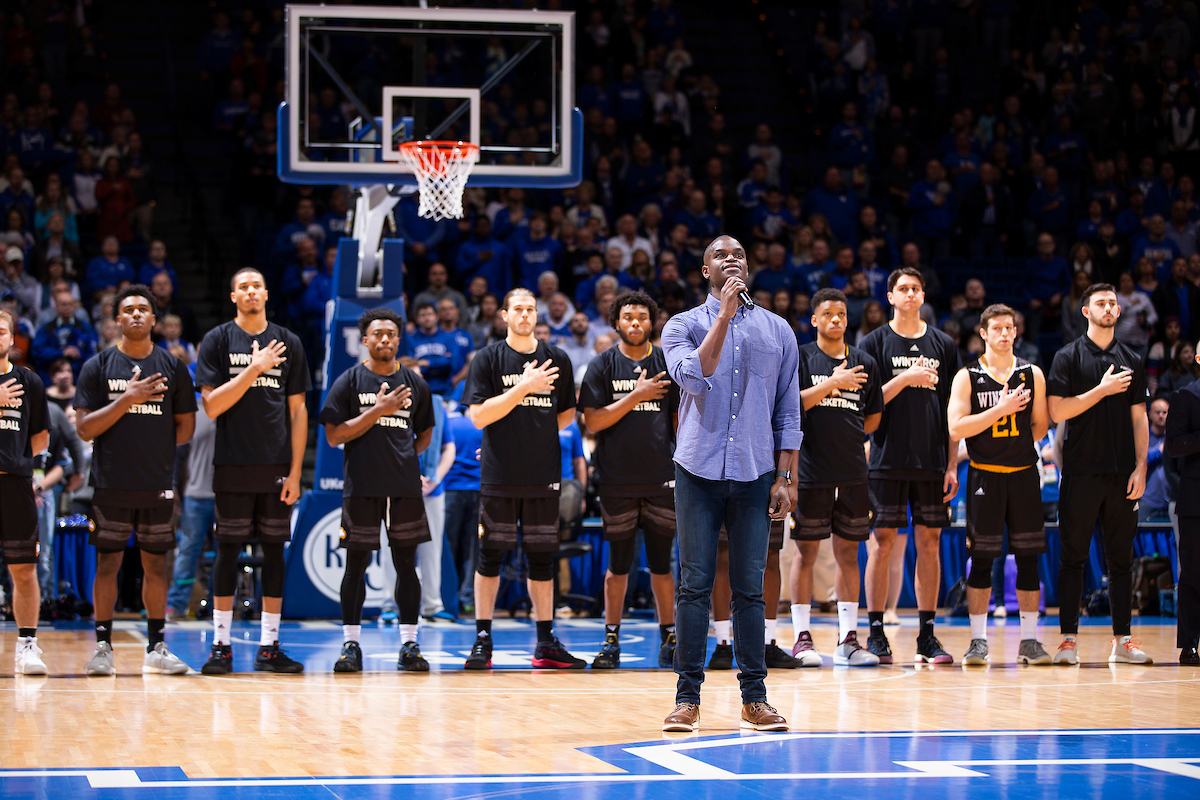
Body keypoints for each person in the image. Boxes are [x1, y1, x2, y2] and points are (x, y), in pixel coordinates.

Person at [660, 234, 801, 733]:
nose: (732, 260)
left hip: (757, 470)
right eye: (721, 256)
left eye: (739, 254)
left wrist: (787, 475)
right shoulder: (681, 326)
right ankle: (687, 699)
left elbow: (788, 409)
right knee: (695, 584)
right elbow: (694, 378)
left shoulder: (778, 330)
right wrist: (722, 316)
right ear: (705, 271)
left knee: (751, 588)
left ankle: (755, 698)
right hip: (696, 470)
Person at [73, 284, 196, 676]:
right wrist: (127, 400)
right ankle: (103, 647)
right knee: (107, 563)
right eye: (129, 310)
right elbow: (85, 429)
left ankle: (156, 647)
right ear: (118, 319)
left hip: (156, 482)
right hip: (109, 482)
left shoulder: (173, 367)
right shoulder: (97, 366)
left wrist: (150, 444)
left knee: (155, 565)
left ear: (155, 320)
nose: (137, 314)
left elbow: (186, 429)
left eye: (145, 309)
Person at [460, 287, 585, 670]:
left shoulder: (557, 358)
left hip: (543, 475)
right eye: (518, 309)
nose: (525, 315)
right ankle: (483, 637)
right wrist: (522, 388)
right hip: (499, 474)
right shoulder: (488, 358)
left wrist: (532, 435)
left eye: (531, 309)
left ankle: (545, 642)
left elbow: (565, 416)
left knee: (542, 559)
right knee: (491, 556)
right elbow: (478, 417)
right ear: (504, 315)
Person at [194, 267, 310, 674]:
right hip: (232, 463)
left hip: (277, 466)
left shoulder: (289, 341)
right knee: (227, 551)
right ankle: (221, 646)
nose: (250, 292)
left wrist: (296, 472)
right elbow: (212, 406)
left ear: (266, 293)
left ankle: (269, 647)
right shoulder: (217, 340)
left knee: (275, 553)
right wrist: (253, 368)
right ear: (233, 297)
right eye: (242, 287)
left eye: (256, 286)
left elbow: (298, 411)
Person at [319, 309, 435, 672]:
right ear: (365, 341)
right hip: (362, 488)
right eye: (378, 334)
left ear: (398, 339)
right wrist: (378, 410)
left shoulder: (416, 384)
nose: (385, 339)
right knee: (356, 566)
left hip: (403, 489)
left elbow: (425, 433)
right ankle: (351, 645)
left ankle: (410, 645)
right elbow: (335, 435)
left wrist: (401, 458)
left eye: (391, 334)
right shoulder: (350, 381)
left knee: (406, 567)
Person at [859, 266, 961, 665]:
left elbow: (955, 409)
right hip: (885, 459)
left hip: (932, 461)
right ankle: (876, 633)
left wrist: (952, 463)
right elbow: (869, 402)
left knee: (930, 544)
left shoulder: (944, 344)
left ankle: (927, 635)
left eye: (916, 288)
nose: (910, 294)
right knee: (882, 544)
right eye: (903, 288)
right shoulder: (873, 342)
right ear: (890, 296)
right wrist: (907, 377)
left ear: (923, 295)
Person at [1046, 282, 1152, 665]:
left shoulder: (1133, 359)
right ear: (1086, 311)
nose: (1108, 307)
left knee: (1121, 560)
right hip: (1081, 472)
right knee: (1072, 558)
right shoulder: (1067, 357)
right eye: (1100, 303)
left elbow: (1140, 419)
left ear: (1119, 312)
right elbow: (1057, 412)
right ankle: (1068, 642)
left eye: (1113, 303)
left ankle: (1122, 641)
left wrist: (1141, 468)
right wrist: (1102, 390)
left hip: (1123, 473)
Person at [945, 304, 1053, 666]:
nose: (1005, 333)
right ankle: (978, 641)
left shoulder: (1032, 373)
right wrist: (1001, 410)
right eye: (998, 328)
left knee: (1028, 560)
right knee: (982, 560)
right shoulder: (967, 376)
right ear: (984, 333)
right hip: (984, 475)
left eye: (1010, 327)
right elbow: (956, 429)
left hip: (1023, 474)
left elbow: (1040, 427)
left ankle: (1029, 641)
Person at [578, 290, 680, 669]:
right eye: (628, 317)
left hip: (660, 479)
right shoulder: (602, 365)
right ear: (616, 322)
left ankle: (669, 637)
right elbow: (594, 421)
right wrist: (636, 396)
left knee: (661, 565)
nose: (635, 323)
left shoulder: (667, 362)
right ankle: (611, 640)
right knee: (618, 565)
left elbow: (677, 421)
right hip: (616, 481)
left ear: (651, 322)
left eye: (642, 317)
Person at [789, 288, 883, 667]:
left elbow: (873, 417)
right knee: (806, 552)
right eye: (828, 314)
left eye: (842, 314)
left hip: (853, 473)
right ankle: (801, 638)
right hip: (811, 472)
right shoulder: (801, 356)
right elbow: (791, 404)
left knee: (849, 553)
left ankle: (848, 639)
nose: (836, 320)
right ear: (814, 320)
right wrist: (832, 383)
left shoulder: (864, 361)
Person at [0, 308, 50, 673]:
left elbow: (41, 436)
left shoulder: (29, 381)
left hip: (15, 483)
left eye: (2, 330)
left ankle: (28, 644)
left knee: (24, 570)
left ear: (12, 338)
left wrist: (16, 460)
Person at [1164, 367, 1200, 665]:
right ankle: (1188, 645)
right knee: (1192, 574)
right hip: (1195, 501)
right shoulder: (1185, 396)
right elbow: (1174, 446)